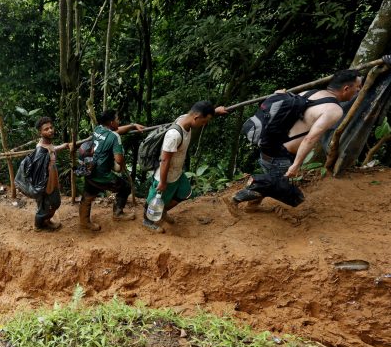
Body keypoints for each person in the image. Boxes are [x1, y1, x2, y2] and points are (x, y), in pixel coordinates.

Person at [224, 69, 362, 215]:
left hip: (269, 144)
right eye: (357, 87)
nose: (359, 90)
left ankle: (253, 205)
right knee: (294, 196)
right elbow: (310, 139)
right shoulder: (333, 110)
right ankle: (236, 197)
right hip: (280, 154)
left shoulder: (310, 93)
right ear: (346, 88)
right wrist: (296, 165)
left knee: (273, 179)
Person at [143, 101, 229, 232]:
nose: (204, 124)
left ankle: (161, 211)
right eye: (204, 121)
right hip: (166, 174)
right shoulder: (174, 135)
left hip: (177, 171)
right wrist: (162, 181)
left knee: (185, 193)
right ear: (196, 118)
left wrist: (215, 111)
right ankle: (148, 221)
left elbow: (200, 113)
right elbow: (165, 160)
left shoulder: (186, 118)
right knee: (155, 198)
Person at [80, 110, 144, 231]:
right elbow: (119, 160)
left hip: (89, 169)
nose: (118, 121)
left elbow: (117, 130)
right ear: (111, 122)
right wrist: (121, 159)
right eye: (117, 119)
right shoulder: (115, 137)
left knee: (87, 195)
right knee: (125, 187)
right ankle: (118, 214)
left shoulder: (98, 129)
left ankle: (84, 221)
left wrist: (132, 126)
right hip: (102, 175)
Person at [32, 117, 61, 231]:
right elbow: (38, 172)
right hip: (46, 182)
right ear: (40, 132)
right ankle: (38, 225)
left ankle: (47, 221)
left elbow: (52, 149)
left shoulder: (48, 144)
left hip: (52, 179)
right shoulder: (41, 150)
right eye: (46, 129)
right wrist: (44, 188)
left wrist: (63, 146)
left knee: (53, 203)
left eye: (51, 127)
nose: (50, 130)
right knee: (48, 204)